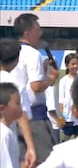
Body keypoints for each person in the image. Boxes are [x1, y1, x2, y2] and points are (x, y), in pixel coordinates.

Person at [11, 13, 59, 165]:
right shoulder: (33, 54)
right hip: (34, 116)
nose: (41, 33)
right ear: (27, 32)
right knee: (45, 160)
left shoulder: (11, 51)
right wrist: (50, 80)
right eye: (38, 29)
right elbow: (36, 86)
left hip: (12, 114)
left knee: (20, 159)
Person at [0, 37, 36, 168]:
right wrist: (31, 148)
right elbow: (23, 116)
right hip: (7, 135)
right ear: (16, 60)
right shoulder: (14, 84)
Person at [58, 53, 78, 141]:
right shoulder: (64, 81)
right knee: (65, 139)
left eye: (77, 64)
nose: (75, 66)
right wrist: (61, 116)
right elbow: (61, 99)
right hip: (68, 116)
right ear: (67, 65)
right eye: (73, 64)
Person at [0, 83, 23, 168]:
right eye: (17, 103)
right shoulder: (4, 135)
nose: (21, 107)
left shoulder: (8, 132)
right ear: (2, 109)